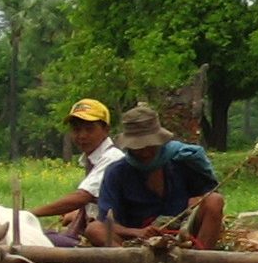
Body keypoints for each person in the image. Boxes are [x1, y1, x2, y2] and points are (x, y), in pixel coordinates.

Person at [96, 103, 225, 249]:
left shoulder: (183, 161)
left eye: (150, 146)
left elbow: (209, 198)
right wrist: (137, 232)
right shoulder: (117, 172)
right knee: (94, 229)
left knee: (215, 200)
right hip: (136, 242)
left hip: (182, 236)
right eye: (138, 148)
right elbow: (106, 222)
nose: (145, 153)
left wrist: (197, 202)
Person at [29, 98, 125, 244]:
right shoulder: (91, 160)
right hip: (100, 227)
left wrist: (30, 213)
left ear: (106, 130)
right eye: (76, 129)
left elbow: (82, 197)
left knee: (41, 241)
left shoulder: (112, 158)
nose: (82, 135)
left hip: (116, 231)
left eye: (89, 129)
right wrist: (75, 214)